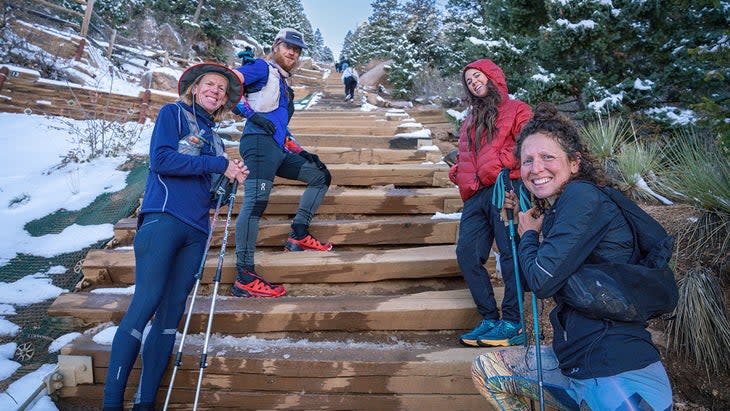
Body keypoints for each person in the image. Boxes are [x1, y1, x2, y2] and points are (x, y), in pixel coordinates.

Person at [471, 103, 673, 410]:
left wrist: (528, 236)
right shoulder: (562, 210)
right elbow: (529, 280)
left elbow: (540, 280)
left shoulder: (583, 196)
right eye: (527, 161)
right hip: (578, 366)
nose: (535, 168)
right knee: (488, 368)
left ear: (575, 162)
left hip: (617, 375)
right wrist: (526, 231)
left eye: (547, 157)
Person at [102, 63, 248, 411]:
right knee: (147, 302)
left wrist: (227, 183)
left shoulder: (216, 140)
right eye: (210, 84)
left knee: (170, 317)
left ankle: (145, 404)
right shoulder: (174, 114)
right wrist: (218, 166)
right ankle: (111, 404)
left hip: (196, 231)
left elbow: (208, 187)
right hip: (163, 219)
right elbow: (163, 160)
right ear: (195, 88)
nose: (216, 91)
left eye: (222, 90)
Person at [230, 27, 333, 299]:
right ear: (276, 45)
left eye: (297, 50)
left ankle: (298, 234)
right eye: (288, 46)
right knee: (255, 204)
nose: (292, 52)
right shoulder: (262, 68)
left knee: (320, 176)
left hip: (277, 148)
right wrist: (250, 113)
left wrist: (301, 151)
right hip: (258, 144)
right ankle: (244, 275)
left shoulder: (284, 85)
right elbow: (229, 82)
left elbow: (278, 126)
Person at [449, 58, 532, 347]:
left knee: (510, 255)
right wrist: (458, 171)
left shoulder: (517, 109)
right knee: (467, 254)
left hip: (505, 185)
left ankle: (513, 322)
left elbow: (527, 144)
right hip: (475, 194)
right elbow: (466, 154)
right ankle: (489, 318)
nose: (473, 83)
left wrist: (499, 164)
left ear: (492, 76)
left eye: (476, 76)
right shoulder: (470, 118)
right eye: (469, 81)